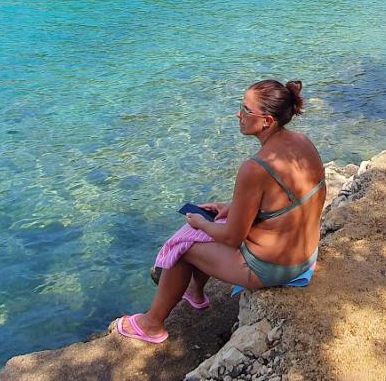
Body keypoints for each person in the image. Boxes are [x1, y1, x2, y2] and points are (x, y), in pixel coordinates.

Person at [112, 80, 324, 344]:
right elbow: (285, 200)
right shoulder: (302, 142)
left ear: (267, 120)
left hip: (276, 268)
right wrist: (229, 208)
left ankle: (152, 324)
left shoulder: (255, 168)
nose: (239, 114)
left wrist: (201, 224)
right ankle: (194, 292)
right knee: (210, 223)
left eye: (246, 110)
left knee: (184, 245)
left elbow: (232, 238)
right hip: (305, 255)